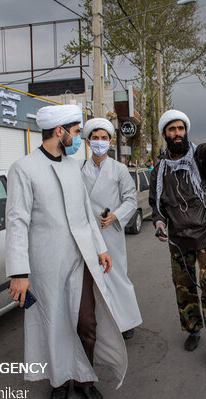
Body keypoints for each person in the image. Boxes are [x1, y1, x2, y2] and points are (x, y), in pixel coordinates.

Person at [5, 105, 127, 399]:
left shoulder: (74, 167)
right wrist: (19, 272)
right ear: (59, 131)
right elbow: (16, 221)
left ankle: (85, 381)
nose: (78, 139)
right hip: (45, 266)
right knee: (54, 324)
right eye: (75, 132)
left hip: (80, 261)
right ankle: (58, 383)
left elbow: (87, 213)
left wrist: (100, 248)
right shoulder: (24, 168)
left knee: (87, 322)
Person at [149, 109, 206, 371]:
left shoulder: (199, 156)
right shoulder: (160, 169)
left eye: (181, 129)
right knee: (184, 289)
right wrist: (160, 223)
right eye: (172, 130)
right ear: (164, 134)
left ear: (186, 132)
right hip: (178, 239)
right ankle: (194, 331)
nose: (177, 134)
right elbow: (156, 204)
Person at [81, 117, 142, 340]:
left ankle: (126, 321)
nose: (99, 142)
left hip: (111, 232)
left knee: (116, 276)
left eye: (103, 138)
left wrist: (114, 216)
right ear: (88, 142)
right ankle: (96, 324)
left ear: (111, 141)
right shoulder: (79, 169)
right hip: (87, 233)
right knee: (91, 279)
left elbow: (130, 200)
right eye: (95, 138)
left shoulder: (119, 169)